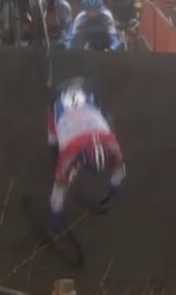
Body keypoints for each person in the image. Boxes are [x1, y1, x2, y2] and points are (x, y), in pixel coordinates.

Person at [46, 77, 126, 234]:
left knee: (106, 119)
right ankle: (53, 216)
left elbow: (120, 170)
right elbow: (60, 185)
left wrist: (108, 195)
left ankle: (54, 216)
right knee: (52, 142)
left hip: (82, 102)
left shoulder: (110, 142)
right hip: (63, 105)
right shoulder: (70, 150)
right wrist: (54, 214)